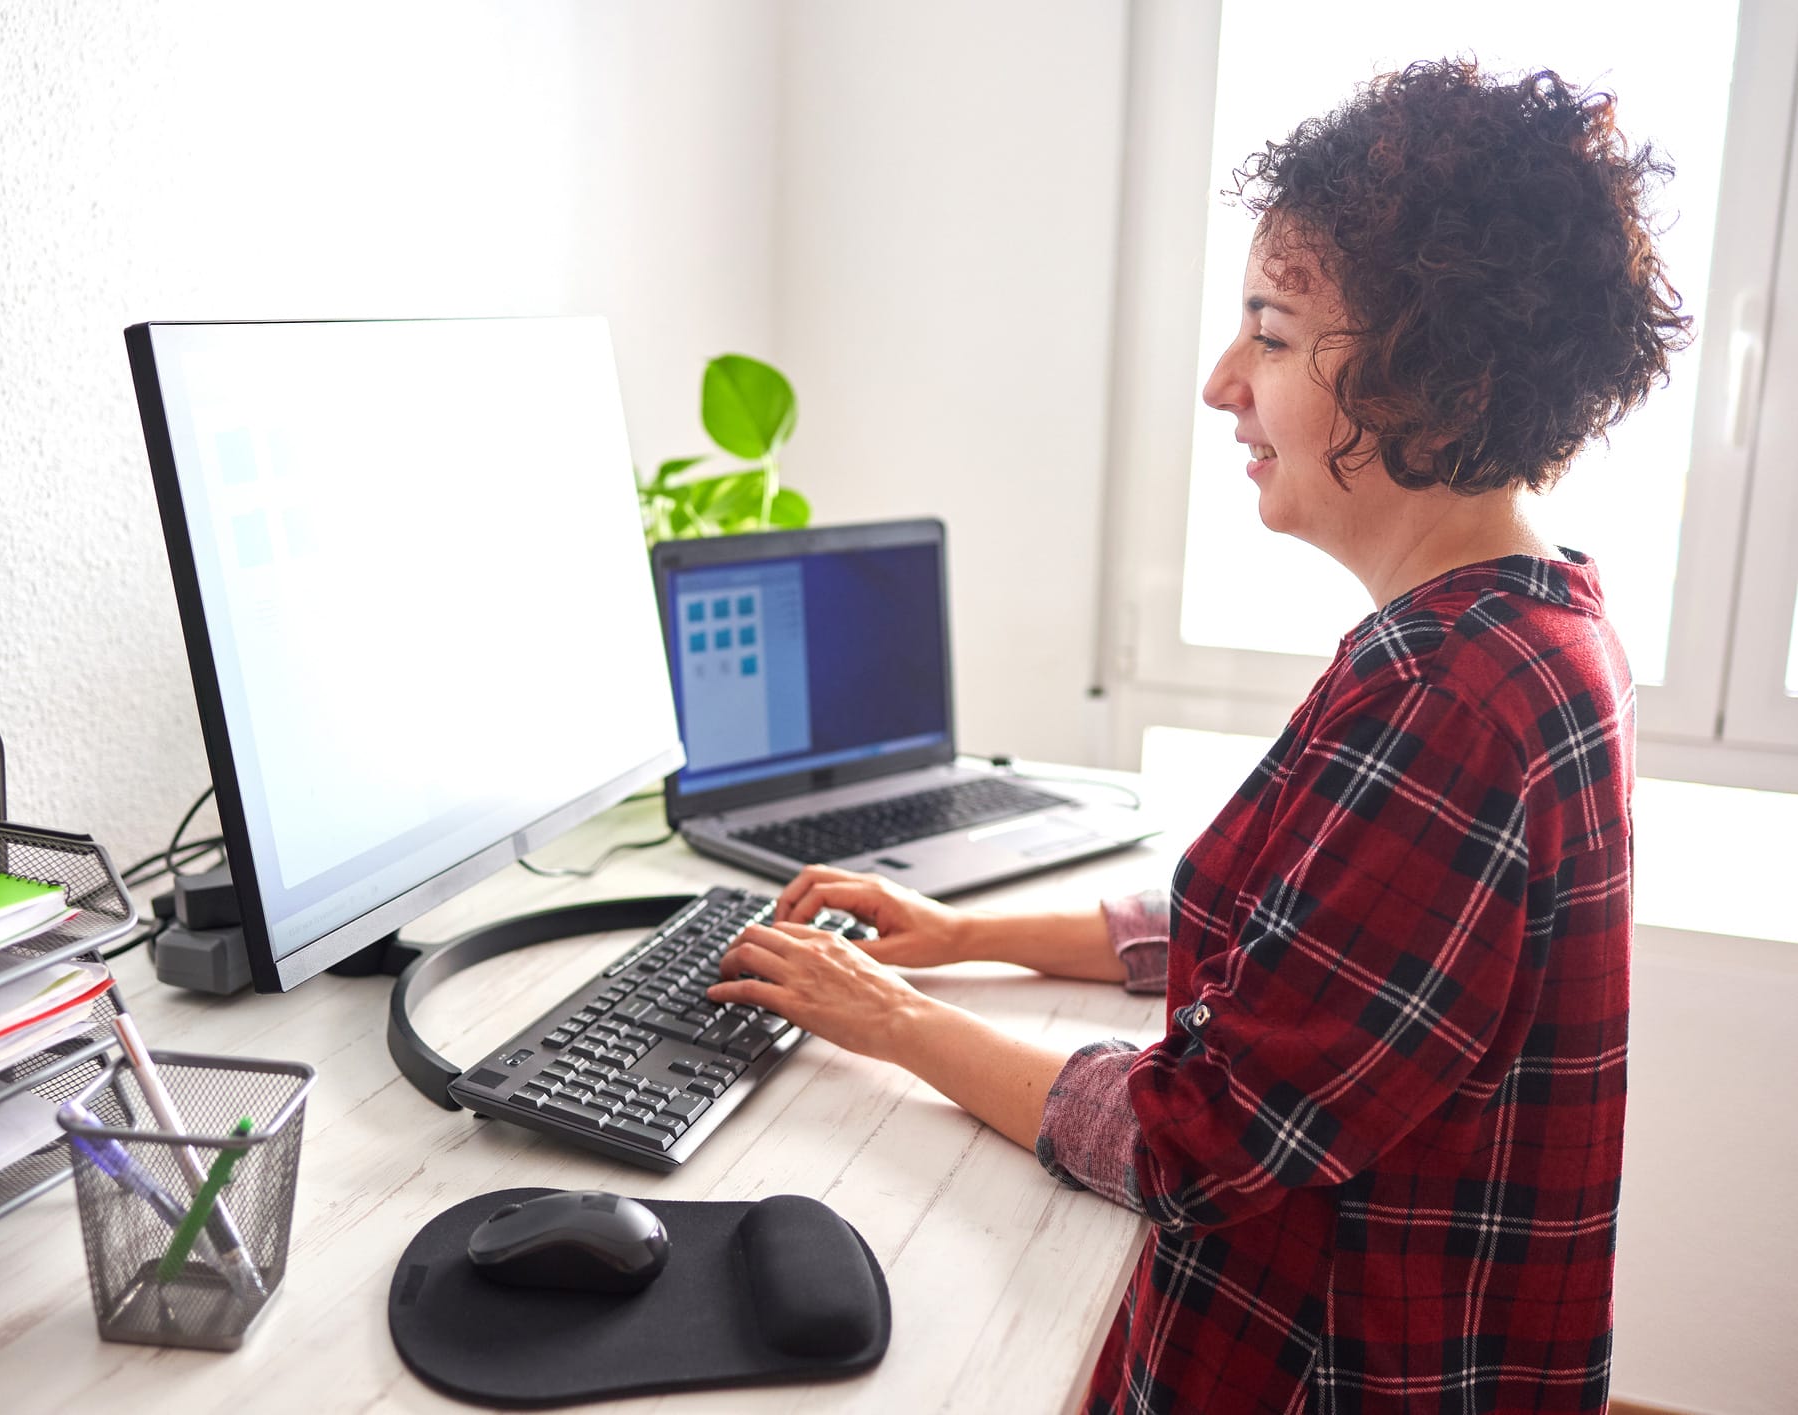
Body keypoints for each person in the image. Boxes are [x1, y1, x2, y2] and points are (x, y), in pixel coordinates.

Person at [708, 58, 1685, 1414]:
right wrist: (972, 936)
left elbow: (1199, 1141)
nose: (1224, 380)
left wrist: (891, 1018)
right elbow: (1314, 953)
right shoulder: (1523, 623)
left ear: (1434, 377)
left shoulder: (1453, 701)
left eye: (1274, 337)